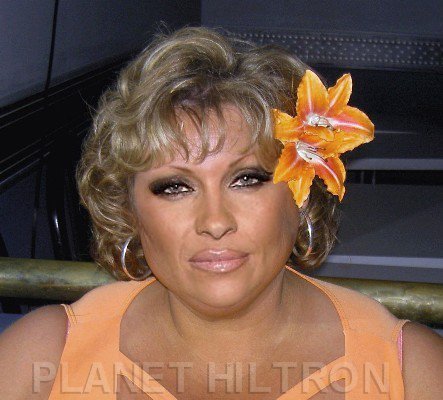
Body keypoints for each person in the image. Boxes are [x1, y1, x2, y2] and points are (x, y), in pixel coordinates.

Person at [0, 26, 442, 400]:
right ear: (127, 210)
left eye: (247, 179)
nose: (215, 222)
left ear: (302, 194)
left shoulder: (413, 373)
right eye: (175, 187)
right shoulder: (38, 360)